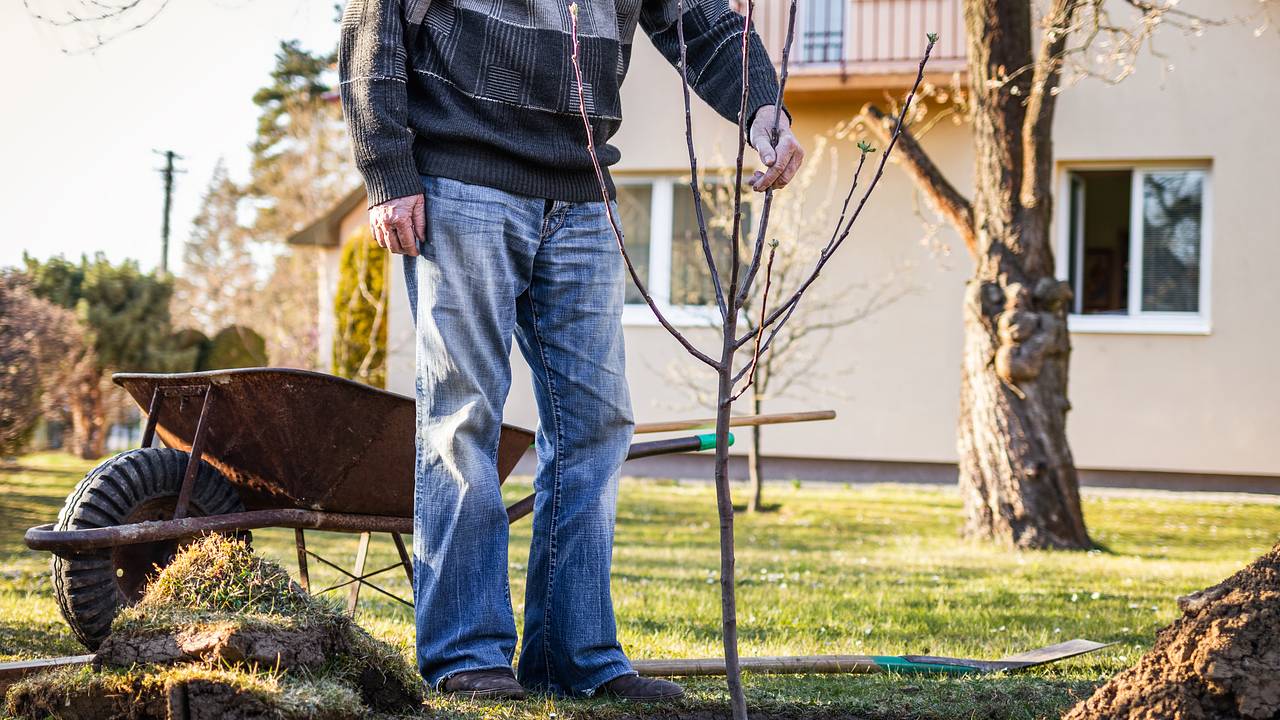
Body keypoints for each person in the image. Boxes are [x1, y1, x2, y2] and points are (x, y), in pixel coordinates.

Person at [337, 0, 804, 702]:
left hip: (583, 189)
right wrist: (386, 167)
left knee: (596, 424)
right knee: (463, 416)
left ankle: (573, 657)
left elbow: (702, 19)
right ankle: (466, 653)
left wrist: (762, 104)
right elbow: (373, 23)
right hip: (460, 176)